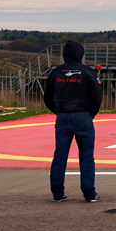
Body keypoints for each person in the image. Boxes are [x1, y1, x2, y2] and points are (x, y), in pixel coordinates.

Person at [44, 40, 103, 203]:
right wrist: (90, 113)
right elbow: (97, 97)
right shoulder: (88, 72)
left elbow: (47, 98)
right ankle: (89, 193)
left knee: (60, 155)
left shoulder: (56, 73)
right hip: (83, 116)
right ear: (80, 54)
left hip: (62, 116)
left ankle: (57, 193)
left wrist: (58, 110)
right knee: (86, 155)